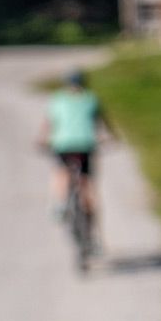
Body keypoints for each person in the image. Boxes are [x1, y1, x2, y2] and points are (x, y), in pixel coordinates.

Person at [46, 68, 112, 229]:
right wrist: (111, 138)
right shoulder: (91, 98)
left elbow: (50, 124)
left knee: (61, 172)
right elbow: (102, 123)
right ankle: (92, 231)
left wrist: (43, 140)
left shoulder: (57, 99)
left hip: (63, 144)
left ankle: (61, 204)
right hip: (86, 144)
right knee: (87, 183)